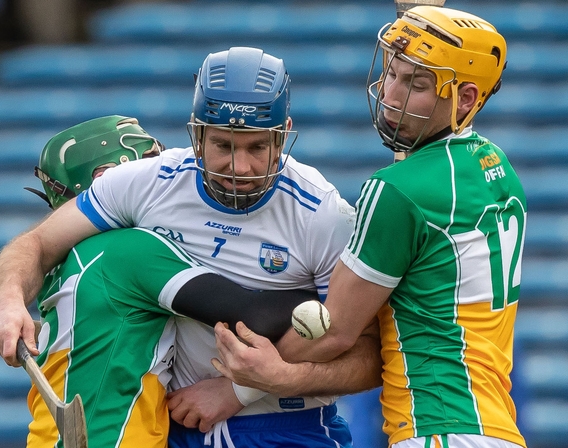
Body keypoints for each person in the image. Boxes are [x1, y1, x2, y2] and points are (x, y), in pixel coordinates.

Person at [0, 47, 382, 448]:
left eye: (257, 148)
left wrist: (241, 390)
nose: (239, 168)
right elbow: (36, 243)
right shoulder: (146, 183)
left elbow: (369, 354)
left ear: (283, 135)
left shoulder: (323, 214)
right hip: (177, 428)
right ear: (197, 133)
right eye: (223, 146)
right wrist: (7, 301)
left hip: (287, 429)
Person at [212, 7, 528, 448]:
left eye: (416, 84)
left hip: (437, 427)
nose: (392, 94)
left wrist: (236, 390)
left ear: (466, 98)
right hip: (494, 428)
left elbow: (334, 330)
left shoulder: (398, 190)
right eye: (392, 73)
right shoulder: (498, 169)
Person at [21, 114, 332, 447]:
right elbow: (255, 316)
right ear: (105, 178)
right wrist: (334, 299)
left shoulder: (64, 262)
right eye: (146, 162)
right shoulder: (127, 251)